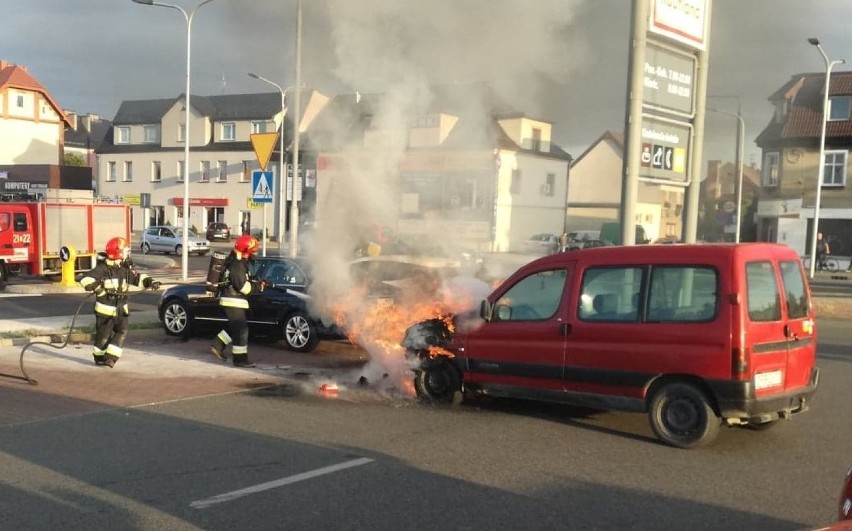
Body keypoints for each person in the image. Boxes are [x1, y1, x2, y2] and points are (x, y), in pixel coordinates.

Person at [79, 236, 161, 368]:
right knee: (103, 337)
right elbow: (85, 280)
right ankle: (99, 358)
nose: (128, 253)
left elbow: (137, 278)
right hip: (105, 311)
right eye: (126, 251)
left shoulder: (124, 269)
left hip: (121, 309)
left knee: (122, 331)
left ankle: (111, 358)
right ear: (118, 252)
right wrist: (100, 290)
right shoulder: (103, 268)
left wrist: (151, 282)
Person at [210, 234, 265, 368]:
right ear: (246, 251)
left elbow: (242, 281)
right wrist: (256, 287)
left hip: (233, 299)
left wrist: (257, 282)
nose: (255, 254)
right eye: (253, 251)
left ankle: (217, 345)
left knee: (235, 326)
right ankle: (240, 359)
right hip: (233, 300)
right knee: (241, 330)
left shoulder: (238, 262)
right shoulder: (238, 264)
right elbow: (242, 287)